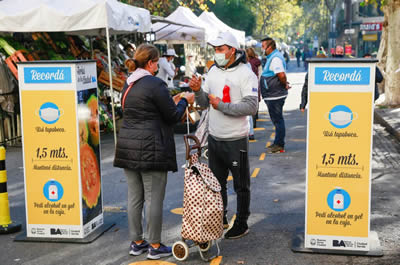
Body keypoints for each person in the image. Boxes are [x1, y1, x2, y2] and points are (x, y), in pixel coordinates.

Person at [114, 44, 194, 260]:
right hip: (151, 148)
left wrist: (173, 102)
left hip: (128, 148)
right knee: (154, 198)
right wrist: (185, 100)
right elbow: (172, 117)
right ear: (150, 63)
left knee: (134, 197)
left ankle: (137, 242)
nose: (158, 65)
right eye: (157, 62)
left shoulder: (129, 83)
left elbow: (139, 110)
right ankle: (155, 245)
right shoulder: (155, 83)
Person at [189, 31, 258, 239]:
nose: (216, 53)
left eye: (220, 49)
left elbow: (252, 106)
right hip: (215, 137)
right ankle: (221, 217)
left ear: (232, 50)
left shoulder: (246, 74)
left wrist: (222, 106)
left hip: (237, 139)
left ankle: (242, 222)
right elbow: (203, 103)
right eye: (215, 49)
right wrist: (199, 90)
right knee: (216, 184)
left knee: (241, 185)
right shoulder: (213, 71)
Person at [260, 37, 291, 153]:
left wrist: (284, 84)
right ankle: (277, 143)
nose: (262, 49)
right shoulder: (272, 57)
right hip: (273, 94)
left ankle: (279, 144)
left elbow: (281, 75)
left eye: (263, 46)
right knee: (277, 120)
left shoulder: (275, 59)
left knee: (278, 120)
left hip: (275, 95)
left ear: (270, 47)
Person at [246, 47, 262, 139]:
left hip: (247, 88)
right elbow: (260, 72)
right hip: (254, 85)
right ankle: (251, 132)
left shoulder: (246, 64)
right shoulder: (257, 61)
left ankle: (250, 132)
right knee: (253, 107)